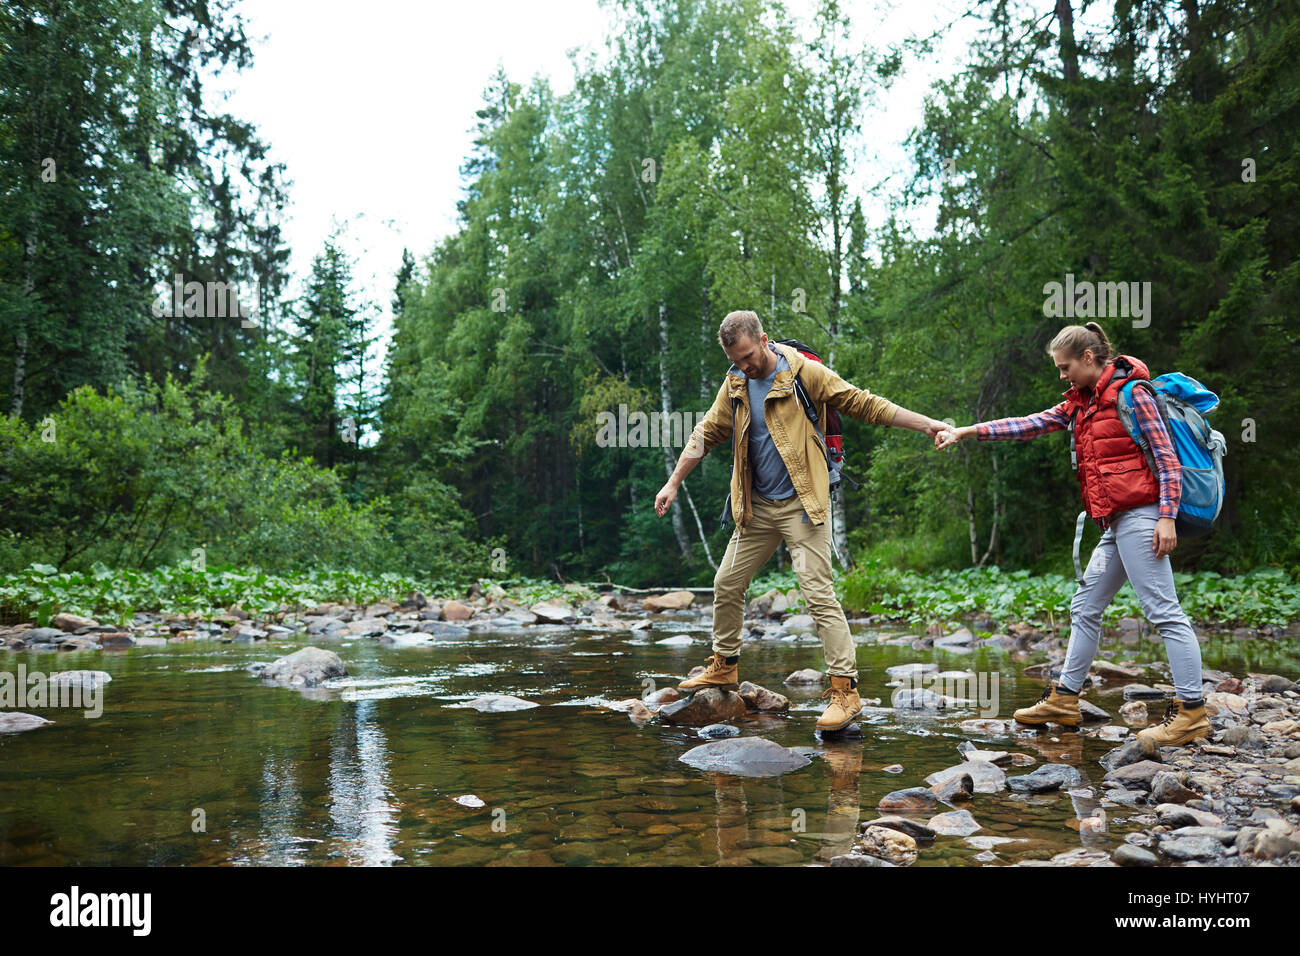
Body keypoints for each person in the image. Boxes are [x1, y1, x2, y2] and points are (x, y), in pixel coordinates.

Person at [655, 310, 950, 732]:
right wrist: (673, 484)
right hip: (755, 507)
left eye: (748, 356)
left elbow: (864, 402)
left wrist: (926, 425)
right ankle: (724, 665)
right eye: (735, 360)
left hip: (803, 504)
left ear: (765, 340)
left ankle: (846, 692)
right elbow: (704, 433)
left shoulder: (802, 372)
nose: (744, 366)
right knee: (726, 583)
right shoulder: (735, 382)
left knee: (817, 593)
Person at [935, 321, 1210, 746]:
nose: (1061, 375)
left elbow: (1166, 458)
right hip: (1115, 523)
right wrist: (969, 431)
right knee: (1085, 607)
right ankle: (1065, 699)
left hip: (1142, 516)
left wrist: (1167, 516)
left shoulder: (1133, 395)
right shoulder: (1080, 404)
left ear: (1089, 357)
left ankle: (1191, 713)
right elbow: (1029, 424)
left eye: (1065, 367)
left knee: (1163, 612)